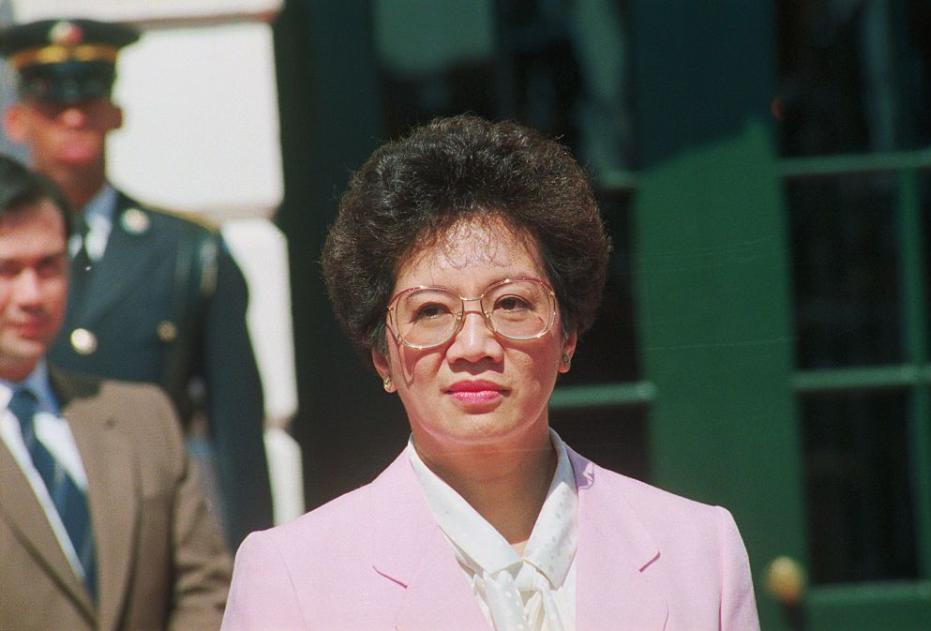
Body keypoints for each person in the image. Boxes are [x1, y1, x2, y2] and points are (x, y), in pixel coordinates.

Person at [222, 115, 760, 630]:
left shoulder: (698, 551)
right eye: (431, 311)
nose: (474, 346)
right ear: (382, 355)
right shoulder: (292, 575)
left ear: (567, 336)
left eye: (512, 304)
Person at [0, 18, 272, 548]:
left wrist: (251, 575)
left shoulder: (188, 253)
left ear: (116, 114)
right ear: (16, 120)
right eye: (53, 106)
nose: (74, 117)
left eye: (90, 100)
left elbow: (237, 442)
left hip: (148, 531)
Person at [0, 155, 231, 630]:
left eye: (49, 266)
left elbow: (205, 588)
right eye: (7, 269)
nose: (32, 295)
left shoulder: (142, 417)